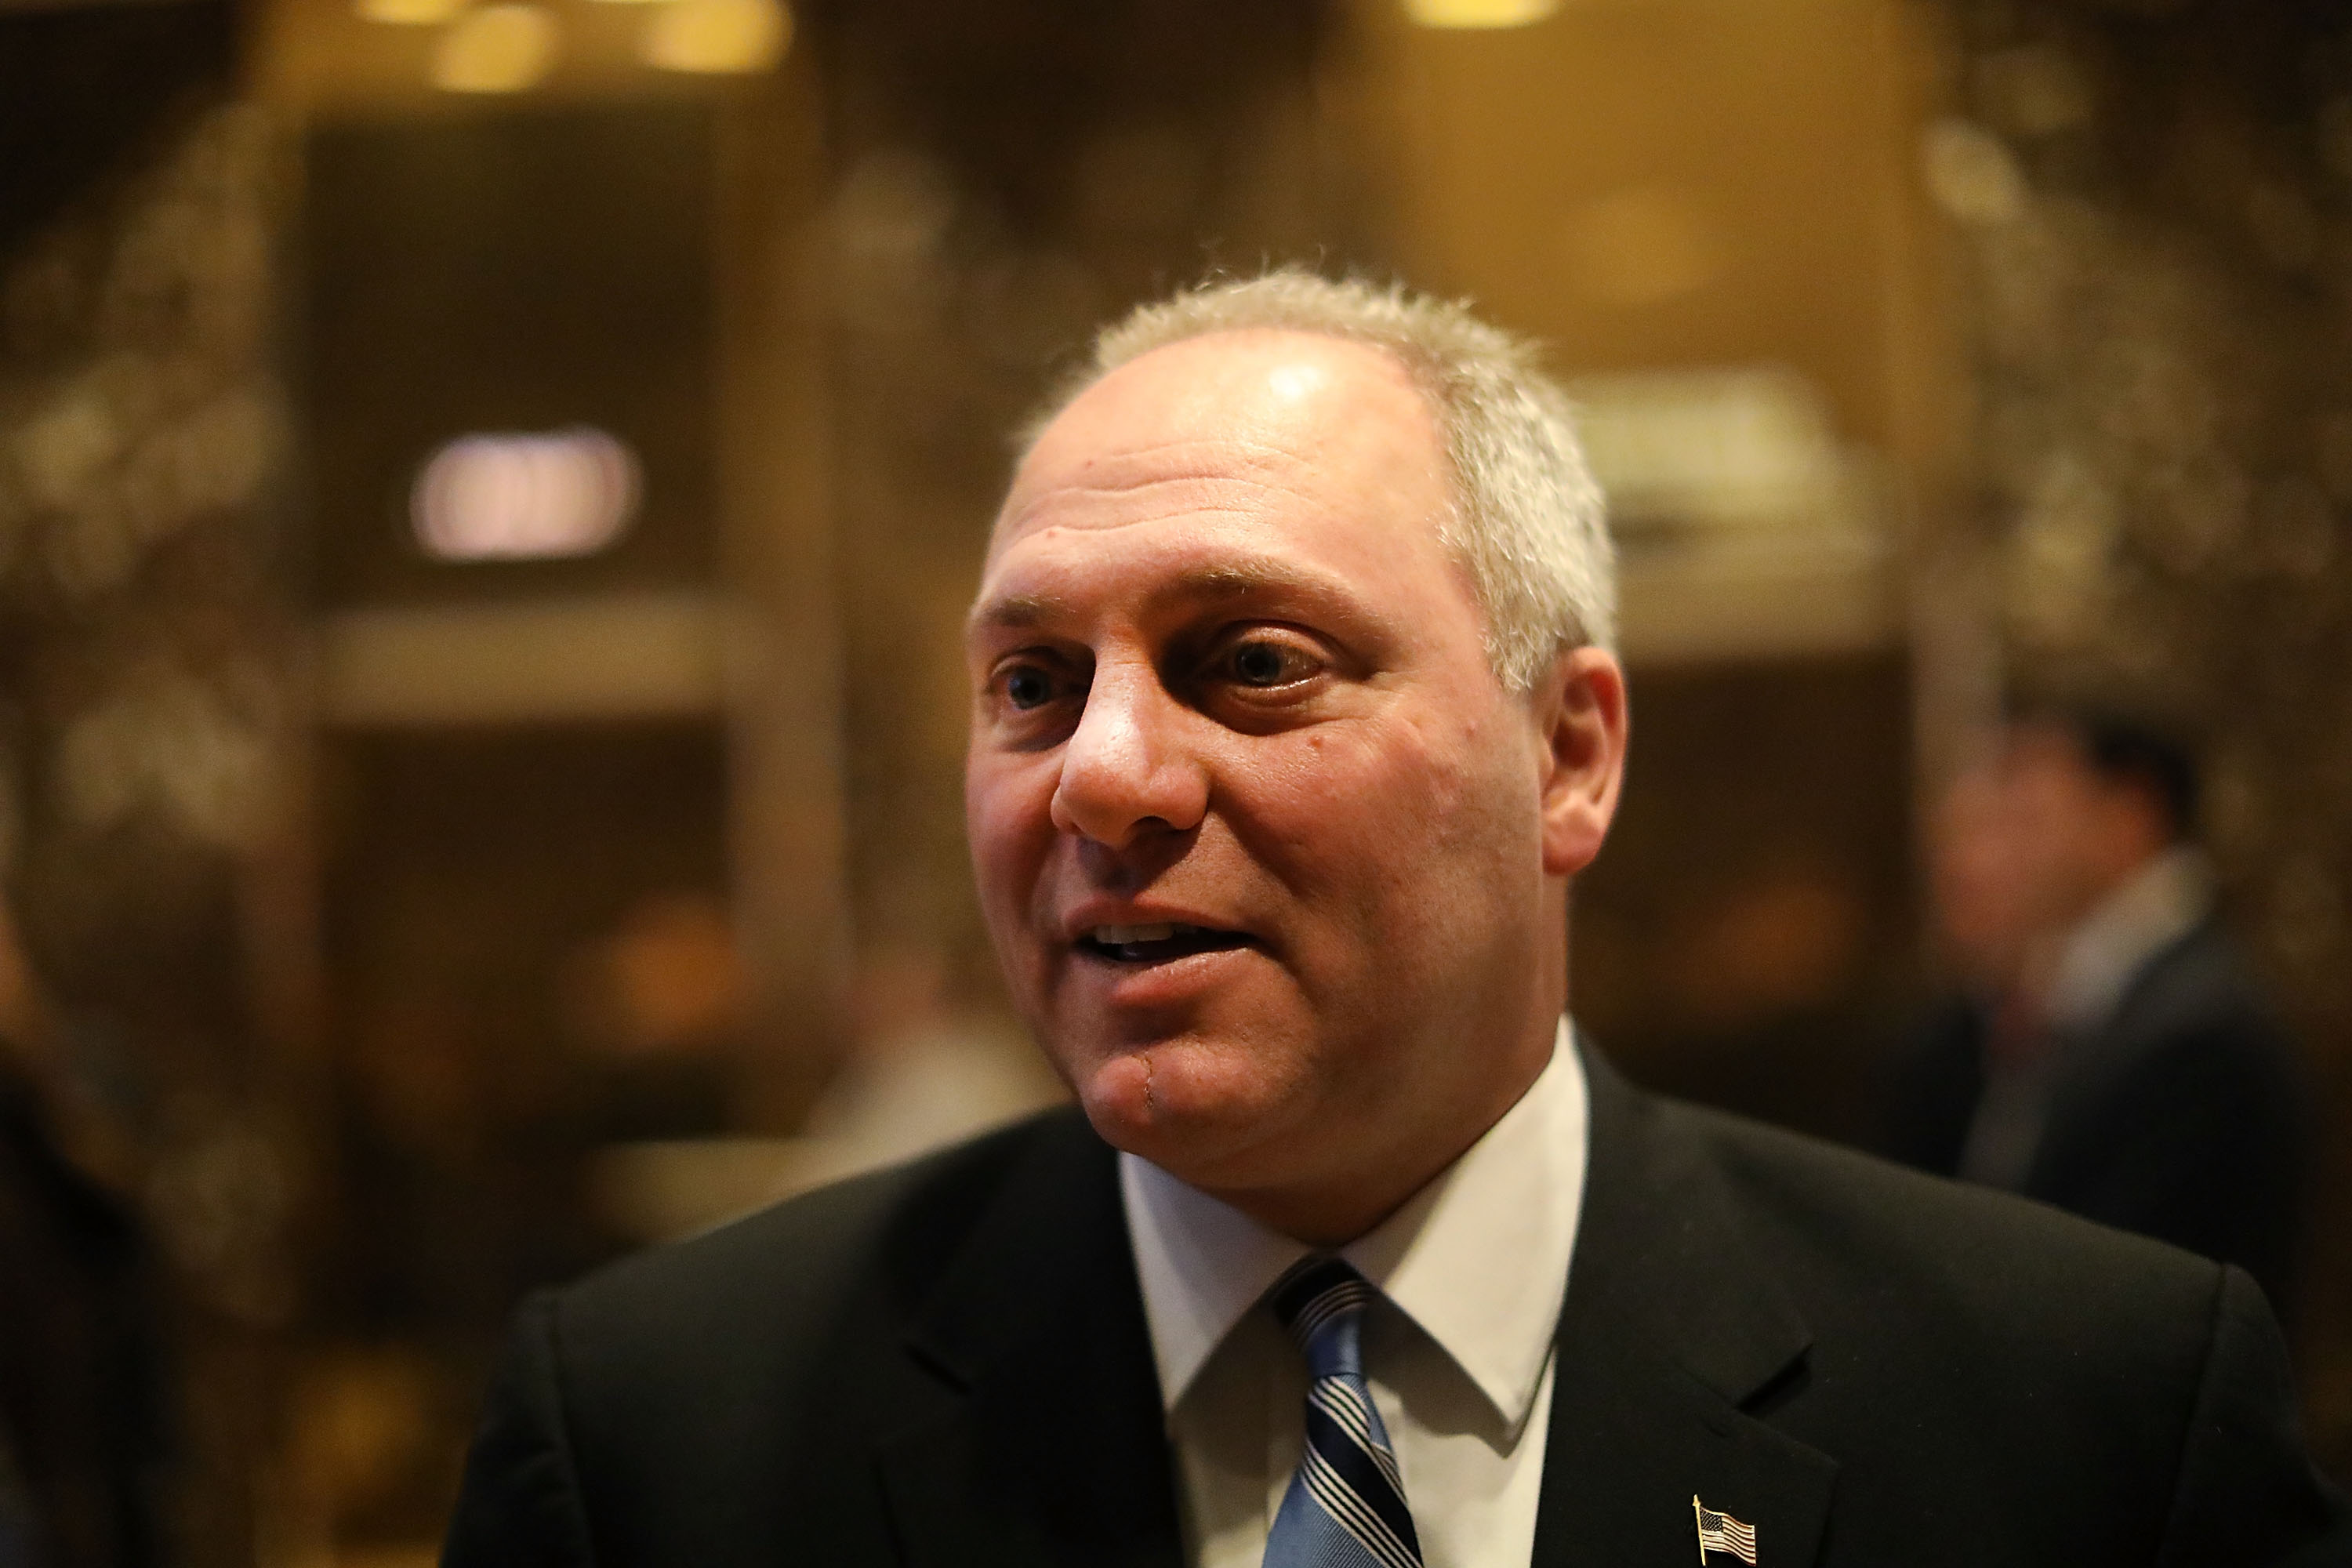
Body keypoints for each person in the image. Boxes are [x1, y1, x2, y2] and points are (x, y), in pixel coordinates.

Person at [442, 273, 2350, 1566]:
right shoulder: (656, 1443)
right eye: (1029, 681)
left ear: (1568, 751)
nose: (1099, 776)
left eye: (1250, 659)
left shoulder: (2082, 1420)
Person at [1886, 704, 2312, 1315]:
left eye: (2021, 817)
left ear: (2129, 813)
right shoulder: (2002, 1014)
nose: (1969, 860)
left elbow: (2111, 1307)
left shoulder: (2200, 1039)